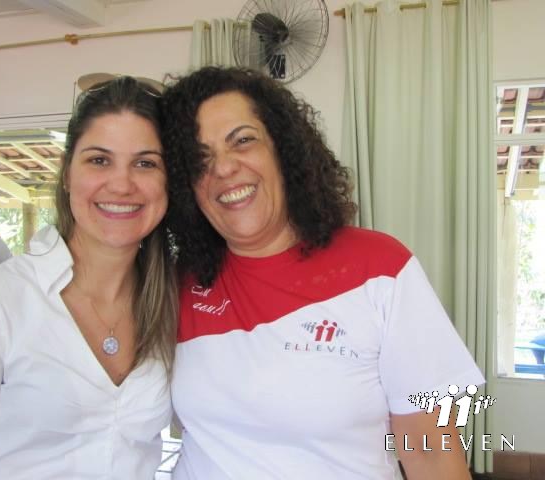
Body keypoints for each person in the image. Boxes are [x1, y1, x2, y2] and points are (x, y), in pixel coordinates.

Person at [161, 67, 484, 480]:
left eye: (242, 140)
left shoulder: (380, 268)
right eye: (199, 157)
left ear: (284, 149)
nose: (222, 168)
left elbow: (431, 453)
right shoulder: (177, 284)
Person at [0, 76, 177, 479]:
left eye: (146, 163)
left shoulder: (175, 303)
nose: (122, 184)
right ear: (66, 174)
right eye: (99, 160)